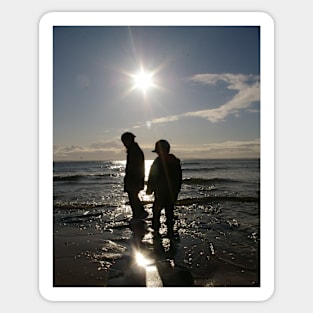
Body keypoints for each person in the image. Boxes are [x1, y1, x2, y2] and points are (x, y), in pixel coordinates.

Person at [146, 139, 182, 237]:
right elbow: (178, 178)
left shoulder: (158, 162)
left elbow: (152, 176)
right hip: (171, 191)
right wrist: (177, 190)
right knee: (169, 210)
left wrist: (149, 188)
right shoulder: (175, 161)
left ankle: (156, 229)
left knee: (156, 210)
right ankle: (169, 229)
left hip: (160, 191)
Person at [121, 132, 148, 220]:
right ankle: (139, 214)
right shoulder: (134, 150)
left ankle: (138, 215)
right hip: (135, 178)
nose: (124, 144)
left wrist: (132, 178)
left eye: (124, 141)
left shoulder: (134, 150)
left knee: (133, 197)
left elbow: (134, 167)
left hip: (134, 178)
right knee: (133, 197)